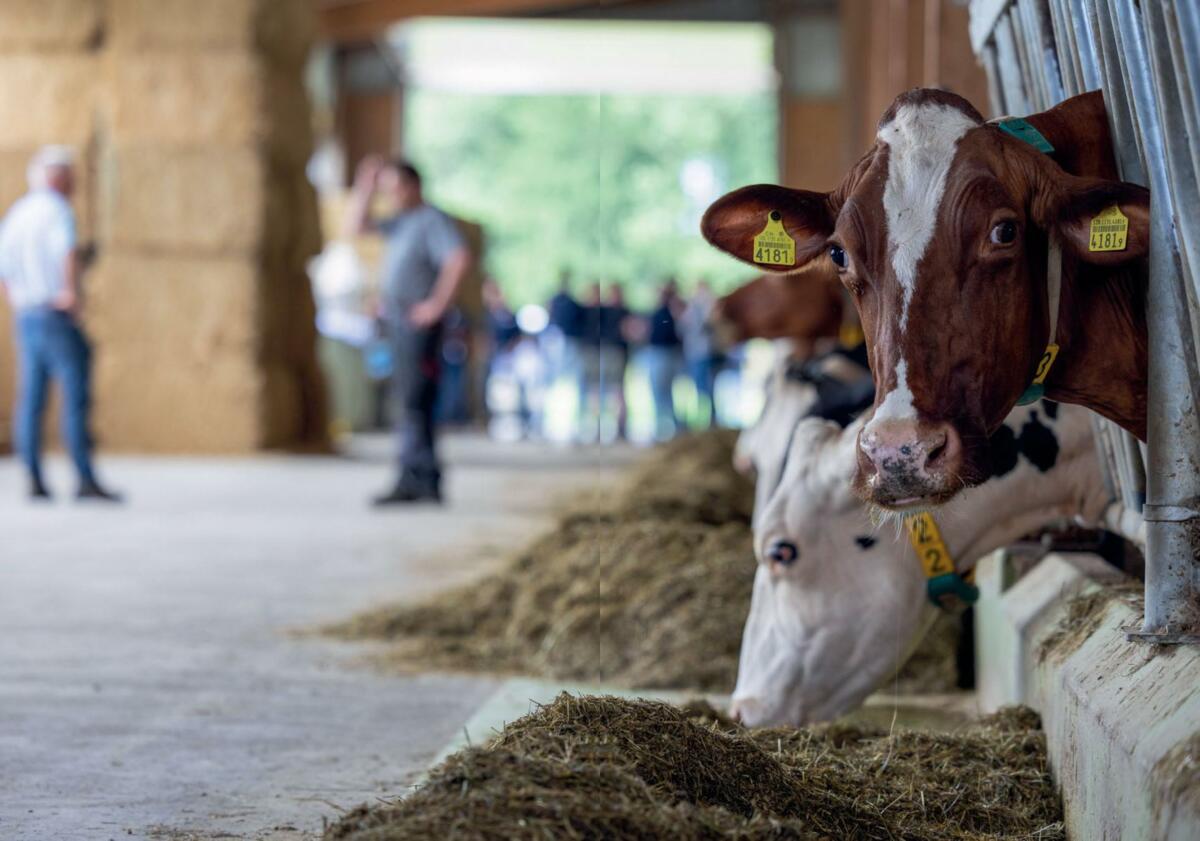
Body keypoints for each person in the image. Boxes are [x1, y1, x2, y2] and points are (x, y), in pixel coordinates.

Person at [347, 156, 471, 505]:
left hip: (418, 327)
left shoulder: (430, 220)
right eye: (385, 190)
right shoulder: (401, 223)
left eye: (393, 188)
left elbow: (458, 259)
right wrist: (365, 187)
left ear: (413, 186)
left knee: (414, 402)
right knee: (411, 399)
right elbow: (355, 228)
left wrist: (435, 305)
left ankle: (414, 476)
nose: (390, 196)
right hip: (399, 322)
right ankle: (424, 476)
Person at [0, 146, 120, 502]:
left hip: (26, 314)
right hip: (54, 311)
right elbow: (66, 252)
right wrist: (71, 293)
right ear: (59, 177)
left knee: (31, 399)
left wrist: (20, 300)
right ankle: (83, 476)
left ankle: (33, 477)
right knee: (75, 396)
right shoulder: (57, 211)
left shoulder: (17, 214)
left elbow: (4, 270)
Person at [643, 279, 684, 441]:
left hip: (663, 355)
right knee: (664, 394)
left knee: (661, 394)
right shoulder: (669, 312)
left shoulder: (669, 313)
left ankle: (665, 429)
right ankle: (669, 428)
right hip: (664, 355)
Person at [680, 279, 722, 428]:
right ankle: (707, 419)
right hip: (701, 353)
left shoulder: (702, 306)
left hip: (702, 354)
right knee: (704, 387)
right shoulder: (701, 306)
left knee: (705, 388)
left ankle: (707, 420)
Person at [597, 283, 630, 441]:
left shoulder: (623, 312)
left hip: (616, 354)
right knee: (601, 391)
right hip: (607, 353)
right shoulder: (606, 312)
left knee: (616, 391)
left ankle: (620, 427)